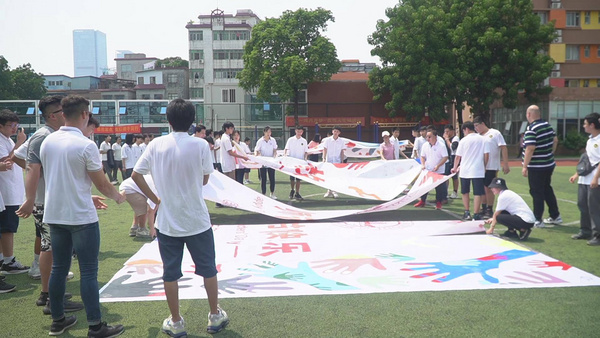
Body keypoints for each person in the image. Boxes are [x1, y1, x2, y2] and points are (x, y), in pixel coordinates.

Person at [132, 98, 229, 336]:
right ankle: (215, 315)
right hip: (197, 219)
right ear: (192, 122)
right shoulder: (200, 145)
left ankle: (176, 321)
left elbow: (136, 174)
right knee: (208, 269)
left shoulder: (155, 144)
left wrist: (155, 199)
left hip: (167, 221)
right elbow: (206, 178)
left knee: (170, 272)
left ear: (168, 119)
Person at [40, 95, 125, 337]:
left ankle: (58, 319)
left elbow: (60, 179)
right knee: (88, 271)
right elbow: (103, 184)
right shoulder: (86, 145)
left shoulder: (48, 141)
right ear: (85, 114)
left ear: (62, 113)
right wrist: (118, 197)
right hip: (80, 218)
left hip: (55, 214)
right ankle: (95, 325)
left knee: (59, 268)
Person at [14, 96, 84, 315]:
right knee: (51, 248)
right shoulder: (44, 136)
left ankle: (50, 293)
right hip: (46, 202)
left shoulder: (48, 134)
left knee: (51, 247)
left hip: (49, 200)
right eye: (62, 110)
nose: (66, 113)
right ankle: (49, 295)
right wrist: (32, 195)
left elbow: (17, 156)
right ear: (53, 115)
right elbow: (25, 164)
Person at [522, 105, 562, 227]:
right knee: (546, 189)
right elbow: (555, 140)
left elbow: (530, 148)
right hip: (548, 163)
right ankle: (555, 215)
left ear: (529, 114)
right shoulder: (548, 126)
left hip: (536, 166)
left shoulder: (531, 128)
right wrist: (550, 153)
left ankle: (537, 219)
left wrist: (525, 165)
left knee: (536, 192)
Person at [0, 109, 28, 277]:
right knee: (8, 228)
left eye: (16, 125)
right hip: (6, 192)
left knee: (6, 227)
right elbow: (5, 162)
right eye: (11, 125)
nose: (14, 128)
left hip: (12, 190)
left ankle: (4, 259)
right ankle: (9, 260)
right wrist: (19, 144)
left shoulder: (7, 140)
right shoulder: (3, 141)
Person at [569, 112, 600, 246]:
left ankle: (597, 235)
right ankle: (585, 230)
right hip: (584, 179)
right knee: (582, 205)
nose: (583, 126)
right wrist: (577, 174)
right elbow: (588, 160)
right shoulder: (589, 140)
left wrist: (595, 178)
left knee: (594, 208)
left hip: (595, 180)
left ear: (592, 125)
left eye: (585, 124)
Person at [451, 121, 489, 221]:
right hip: (478, 169)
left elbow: (457, 157)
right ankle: (476, 213)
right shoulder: (482, 139)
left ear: (466, 129)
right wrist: (484, 166)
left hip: (465, 169)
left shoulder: (463, 140)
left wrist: (455, 167)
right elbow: (486, 155)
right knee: (478, 193)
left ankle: (467, 212)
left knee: (465, 191)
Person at [474, 116, 510, 218]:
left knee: (490, 188)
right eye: (474, 126)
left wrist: (505, 163)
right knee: (482, 188)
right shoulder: (478, 136)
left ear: (482, 124)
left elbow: (503, 147)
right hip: (480, 166)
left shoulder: (495, 133)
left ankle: (489, 209)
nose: (476, 128)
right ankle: (484, 207)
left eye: (477, 126)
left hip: (492, 166)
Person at [415, 130, 449, 210]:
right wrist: (423, 165)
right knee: (424, 186)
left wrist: (438, 165)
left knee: (439, 187)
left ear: (435, 137)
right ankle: (422, 201)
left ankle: (438, 203)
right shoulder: (425, 145)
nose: (428, 138)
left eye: (430, 137)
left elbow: (445, 157)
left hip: (439, 170)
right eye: (427, 137)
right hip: (428, 169)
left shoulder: (441, 145)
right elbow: (422, 156)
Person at [119, 174, 157, 239]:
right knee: (143, 206)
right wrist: (152, 229)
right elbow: (150, 211)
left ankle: (134, 227)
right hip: (129, 188)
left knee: (138, 206)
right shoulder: (158, 189)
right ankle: (141, 230)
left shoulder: (159, 182)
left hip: (129, 185)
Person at [284, 125, 308, 200]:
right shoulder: (290, 140)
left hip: (300, 163)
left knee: (298, 178)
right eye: (297, 131)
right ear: (295, 131)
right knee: (292, 178)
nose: (299, 133)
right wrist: (285, 157)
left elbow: (306, 152)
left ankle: (297, 192)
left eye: (300, 131)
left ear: (302, 132)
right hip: (292, 162)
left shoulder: (304, 141)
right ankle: (292, 190)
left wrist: (305, 160)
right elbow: (286, 149)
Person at [255, 126, 278, 199]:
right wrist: (261, 157)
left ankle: (272, 193)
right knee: (263, 179)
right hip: (263, 163)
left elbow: (275, 149)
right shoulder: (260, 141)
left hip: (271, 162)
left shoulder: (273, 140)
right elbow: (257, 150)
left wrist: (274, 156)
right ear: (264, 132)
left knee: (272, 178)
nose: (269, 133)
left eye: (270, 132)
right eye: (267, 132)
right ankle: (263, 194)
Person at [322, 126, 345, 198]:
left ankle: (335, 191)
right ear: (332, 131)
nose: (336, 133)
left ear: (339, 133)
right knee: (328, 176)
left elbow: (342, 151)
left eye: (337, 132)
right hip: (329, 161)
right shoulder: (327, 140)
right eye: (334, 131)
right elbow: (325, 149)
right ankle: (329, 191)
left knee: (336, 176)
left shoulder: (341, 141)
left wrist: (342, 160)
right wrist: (324, 158)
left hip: (337, 161)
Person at [443, 124, 460, 199]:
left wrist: (447, 140)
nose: (446, 133)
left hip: (453, 158)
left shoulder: (455, 138)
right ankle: (445, 192)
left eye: (448, 131)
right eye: (445, 132)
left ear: (452, 131)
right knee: (445, 176)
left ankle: (455, 192)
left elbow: (453, 148)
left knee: (454, 177)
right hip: (447, 159)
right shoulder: (444, 140)